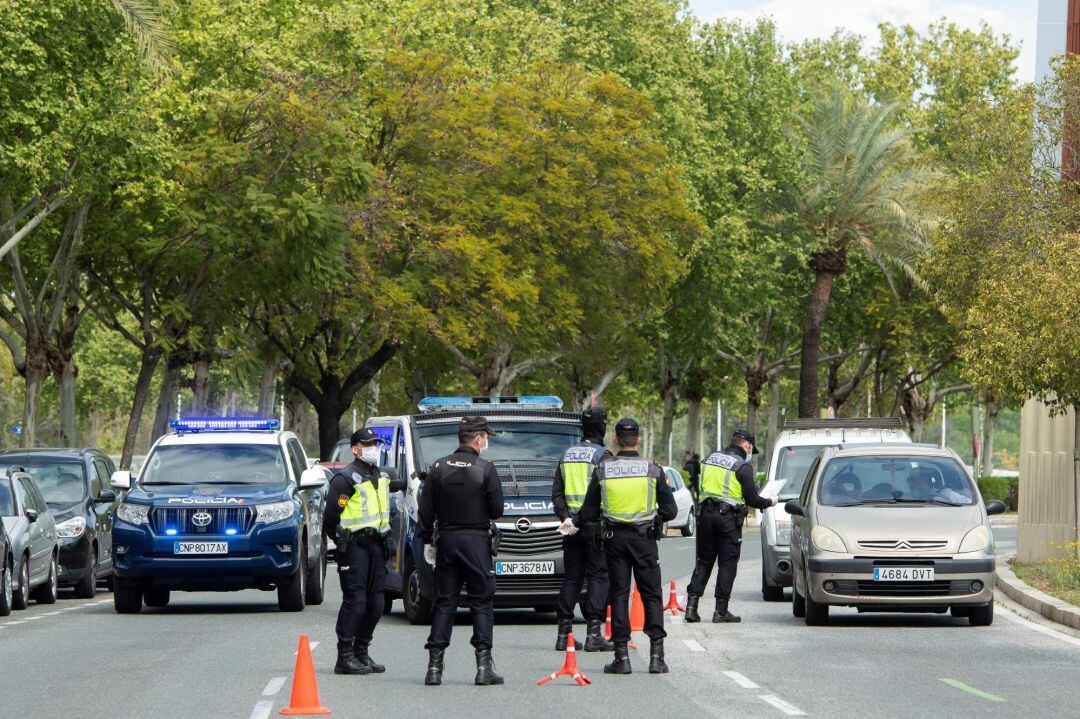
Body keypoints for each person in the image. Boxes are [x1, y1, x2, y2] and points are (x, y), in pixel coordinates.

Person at [576, 418, 678, 675]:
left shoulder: (603, 469)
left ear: (616, 440)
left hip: (614, 541)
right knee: (652, 595)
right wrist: (655, 518)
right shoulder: (653, 469)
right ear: (639, 440)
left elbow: (588, 512)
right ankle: (657, 657)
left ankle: (622, 657)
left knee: (619, 595)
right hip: (644, 540)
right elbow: (671, 510)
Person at [418, 416, 505, 687]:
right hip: (476, 542)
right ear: (478, 439)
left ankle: (434, 668)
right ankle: (483, 668)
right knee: (481, 602)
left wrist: (427, 542)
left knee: (445, 602)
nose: (486, 441)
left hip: (446, 541)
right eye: (486, 437)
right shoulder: (485, 468)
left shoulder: (438, 467)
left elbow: (425, 512)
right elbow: (496, 511)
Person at [324, 428, 404, 675]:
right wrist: (342, 543)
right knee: (356, 601)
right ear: (356, 449)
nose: (374, 448)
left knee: (376, 602)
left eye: (376, 444)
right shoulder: (345, 479)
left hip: (378, 545)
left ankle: (361, 651)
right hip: (355, 546)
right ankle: (344, 656)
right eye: (368, 444)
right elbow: (330, 518)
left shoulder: (379, 476)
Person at [685, 430, 775, 624]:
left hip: (705, 515)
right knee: (727, 563)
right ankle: (720, 611)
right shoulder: (742, 467)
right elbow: (753, 499)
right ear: (747, 446)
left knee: (704, 561)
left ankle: (691, 608)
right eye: (752, 449)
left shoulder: (709, 458)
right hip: (727, 520)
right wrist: (770, 501)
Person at [551, 406, 614, 652]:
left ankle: (563, 634)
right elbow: (608, 493)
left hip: (571, 529)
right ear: (602, 427)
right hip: (595, 527)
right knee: (599, 577)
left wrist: (566, 518)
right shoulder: (603, 455)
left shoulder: (566, 454)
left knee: (572, 578)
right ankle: (594, 634)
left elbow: (556, 492)